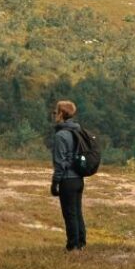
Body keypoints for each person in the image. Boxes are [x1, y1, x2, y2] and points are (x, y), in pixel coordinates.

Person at [49, 96, 88, 251]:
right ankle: (81, 242)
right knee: (77, 211)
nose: (54, 114)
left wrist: (55, 183)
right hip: (79, 178)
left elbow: (60, 162)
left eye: (55, 112)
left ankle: (73, 246)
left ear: (60, 114)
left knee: (69, 213)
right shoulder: (78, 130)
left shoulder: (61, 135)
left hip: (67, 179)